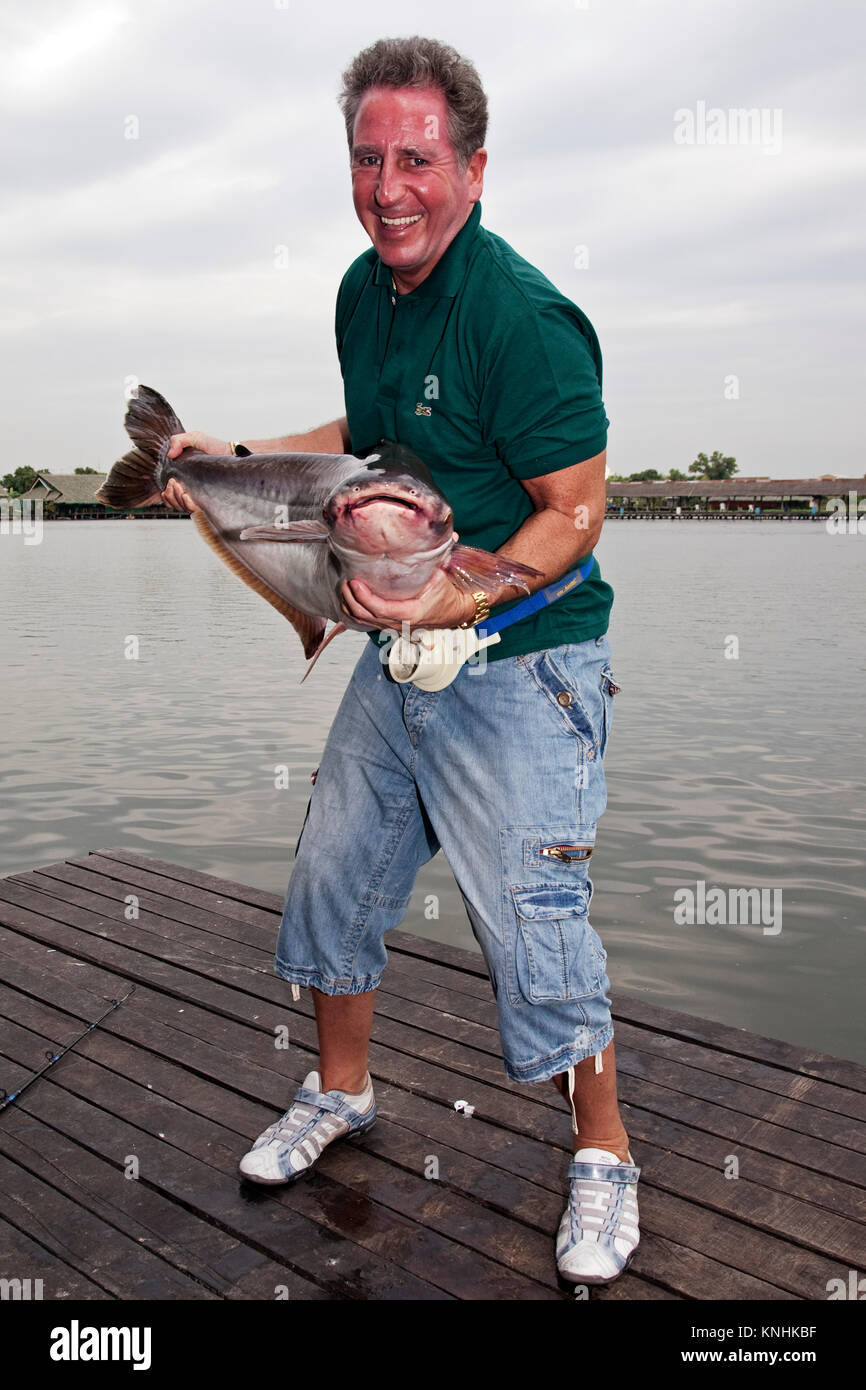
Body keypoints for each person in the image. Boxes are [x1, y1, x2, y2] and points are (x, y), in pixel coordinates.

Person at [162, 35, 640, 1288]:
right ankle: (341, 1090)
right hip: (400, 658)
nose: (389, 186)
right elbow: (366, 437)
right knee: (331, 872)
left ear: (472, 170)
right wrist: (232, 454)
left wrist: (464, 598)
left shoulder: (523, 320)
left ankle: (602, 1152)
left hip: (526, 661)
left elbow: (574, 514)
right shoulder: (360, 291)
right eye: (368, 159)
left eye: (416, 160)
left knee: (534, 923)